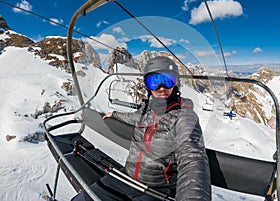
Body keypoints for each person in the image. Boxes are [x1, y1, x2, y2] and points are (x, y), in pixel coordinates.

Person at [72, 56, 211, 201]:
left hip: (157, 188)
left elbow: (192, 158)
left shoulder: (185, 117)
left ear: (175, 84)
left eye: (167, 80)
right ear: (147, 86)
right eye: (154, 82)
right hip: (127, 176)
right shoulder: (146, 110)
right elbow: (133, 118)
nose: (161, 88)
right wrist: (115, 114)